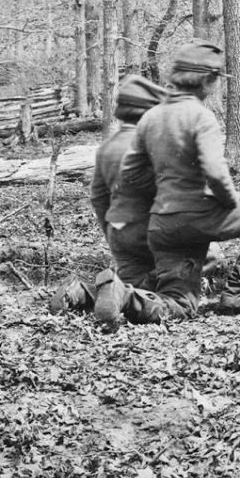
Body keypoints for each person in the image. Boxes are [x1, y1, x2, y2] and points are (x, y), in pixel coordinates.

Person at [122, 41, 240, 316]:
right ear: (207, 80)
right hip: (196, 216)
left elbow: (131, 176)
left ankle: (118, 297)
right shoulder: (201, 116)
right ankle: (239, 292)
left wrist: (165, 199)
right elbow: (214, 171)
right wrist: (229, 201)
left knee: (180, 305)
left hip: (162, 224)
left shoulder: (150, 118)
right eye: (215, 79)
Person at [66, 69, 172, 333]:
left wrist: (115, 235)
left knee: (129, 288)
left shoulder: (107, 148)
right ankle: (129, 297)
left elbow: (99, 199)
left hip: (124, 242)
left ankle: (81, 294)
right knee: (181, 302)